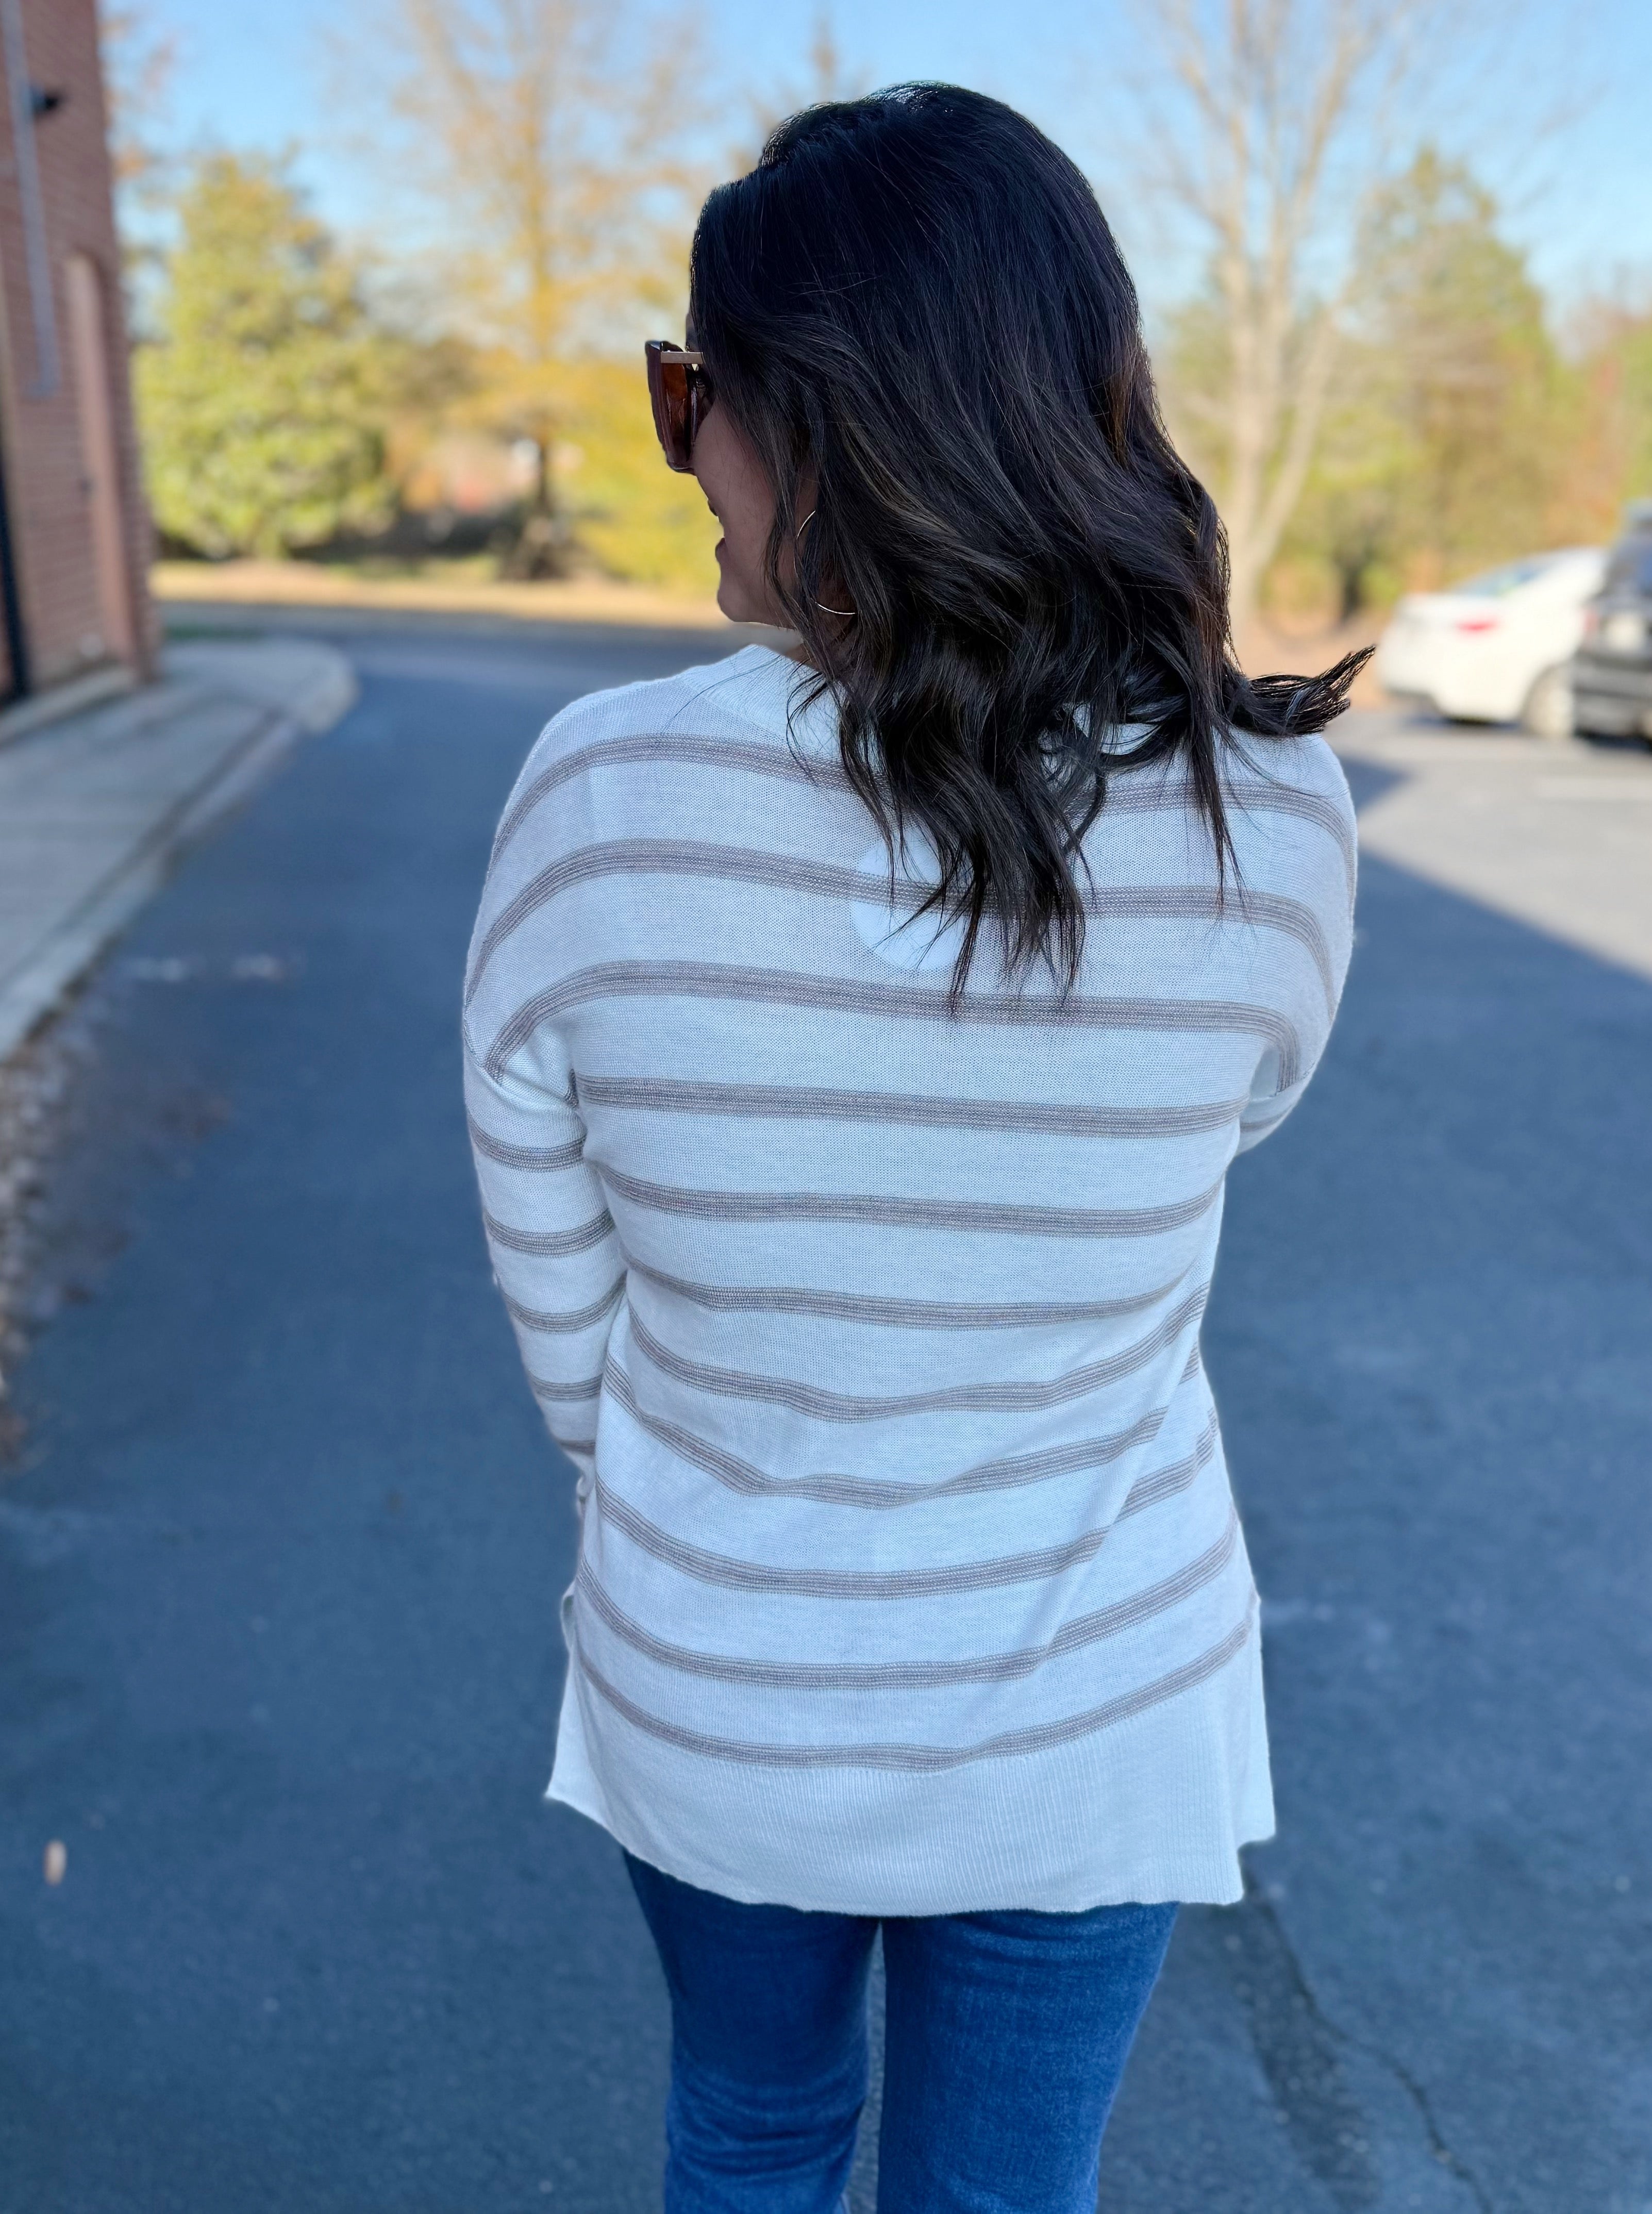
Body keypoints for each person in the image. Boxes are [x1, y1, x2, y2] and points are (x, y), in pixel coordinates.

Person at [463, 84, 1362, 2213]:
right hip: (1097, 1702)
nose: (680, 452)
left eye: (686, 394)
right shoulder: (1271, 815)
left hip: (724, 1687)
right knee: (1005, 2187)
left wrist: (714, 1475)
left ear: (817, 415)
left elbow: (558, 1291)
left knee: (755, 2128)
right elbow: (1236, 1116)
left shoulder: (598, 797)